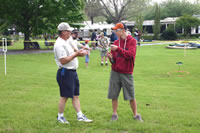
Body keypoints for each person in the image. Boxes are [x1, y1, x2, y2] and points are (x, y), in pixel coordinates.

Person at [54, 22, 93, 124]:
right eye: (68, 31)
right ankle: (60, 117)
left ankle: (80, 116)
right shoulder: (59, 44)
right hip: (65, 72)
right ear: (63, 32)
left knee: (75, 95)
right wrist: (77, 54)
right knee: (65, 96)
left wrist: (81, 52)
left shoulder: (67, 41)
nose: (70, 32)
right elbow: (63, 60)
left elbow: (74, 51)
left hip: (72, 72)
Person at [106, 23, 143, 122]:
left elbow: (130, 55)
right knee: (114, 94)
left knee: (131, 95)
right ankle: (114, 114)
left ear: (122, 30)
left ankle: (136, 115)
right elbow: (114, 60)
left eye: (116, 30)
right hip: (115, 71)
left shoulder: (132, 41)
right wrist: (111, 58)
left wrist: (118, 49)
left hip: (127, 72)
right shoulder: (116, 42)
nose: (115, 32)